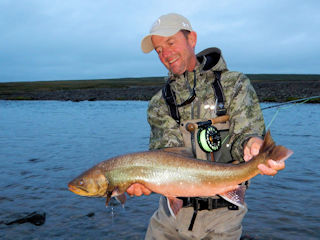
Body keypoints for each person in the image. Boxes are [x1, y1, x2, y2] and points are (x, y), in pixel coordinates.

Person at [127, 13, 285, 240]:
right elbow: (166, 153)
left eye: (170, 43)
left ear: (192, 38)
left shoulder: (234, 84)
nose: (166, 54)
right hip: (169, 219)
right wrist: (144, 181)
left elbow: (246, 131)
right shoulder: (159, 103)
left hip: (224, 218)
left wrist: (253, 144)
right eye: (159, 50)